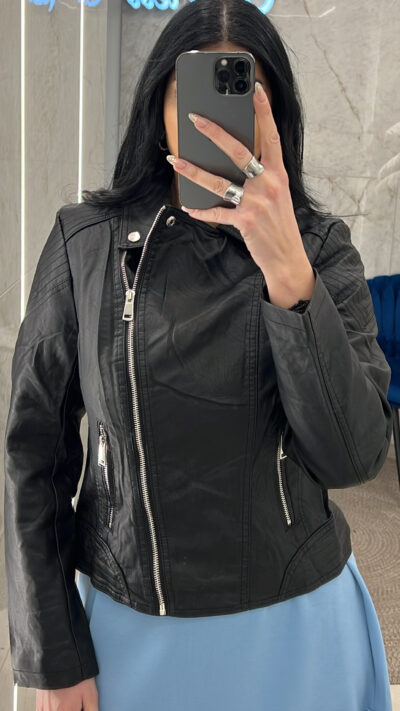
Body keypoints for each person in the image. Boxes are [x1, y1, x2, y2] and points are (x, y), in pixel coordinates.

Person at [3, 1, 394, 710]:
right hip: (133, 626)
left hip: (300, 623)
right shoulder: (86, 243)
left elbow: (355, 457)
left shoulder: (319, 249)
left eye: (242, 103)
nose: (218, 128)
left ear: (275, 117)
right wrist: (52, 655)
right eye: (195, 105)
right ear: (159, 111)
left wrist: (289, 275)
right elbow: (32, 456)